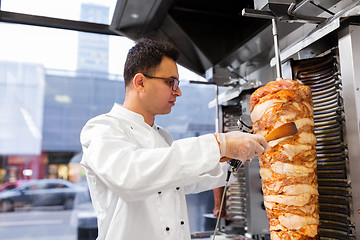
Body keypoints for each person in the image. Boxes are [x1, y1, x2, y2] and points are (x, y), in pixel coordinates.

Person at [80, 37, 269, 240]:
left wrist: (235, 155)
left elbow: (185, 178)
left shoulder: (162, 136)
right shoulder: (101, 128)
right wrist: (219, 144)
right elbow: (130, 176)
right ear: (140, 82)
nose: (177, 92)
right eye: (171, 82)